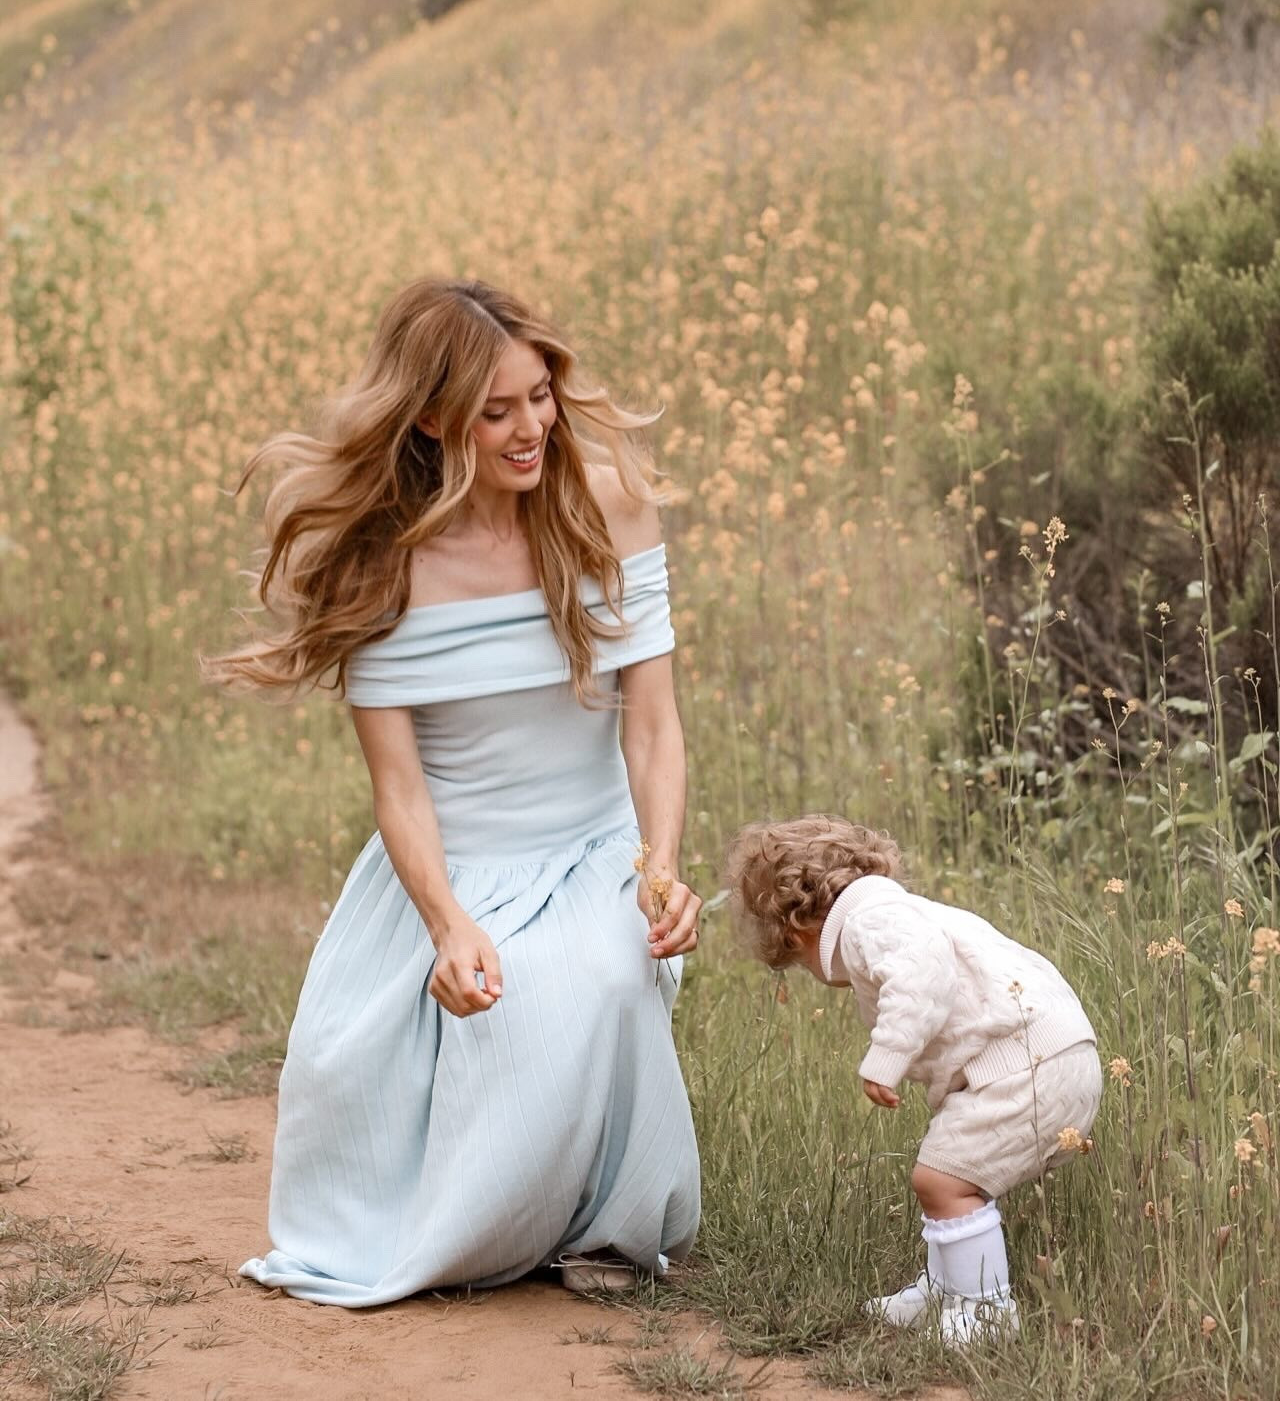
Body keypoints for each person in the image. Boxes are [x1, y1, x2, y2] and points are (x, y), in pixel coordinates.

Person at [200, 276, 702, 1305]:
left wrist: (660, 866)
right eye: (496, 409)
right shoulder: (377, 563)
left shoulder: (608, 501)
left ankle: (604, 1231)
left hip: (591, 849)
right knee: (448, 1028)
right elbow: (401, 792)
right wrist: (444, 922)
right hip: (445, 863)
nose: (530, 428)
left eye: (539, 396)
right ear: (433, 416)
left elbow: (649, 724)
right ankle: (490, 1227)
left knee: (597, 982)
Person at [723, 814, 1101, 1345]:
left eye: (799, 960)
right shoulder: (891, 910)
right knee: (948, 1171)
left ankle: (982, 1311)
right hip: (1051, 1056)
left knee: (942, 1181)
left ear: (796, 929)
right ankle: (948, 1288)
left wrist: (886, 1056)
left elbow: (923, 975)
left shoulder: (867, 922)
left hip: (1027, 1064)